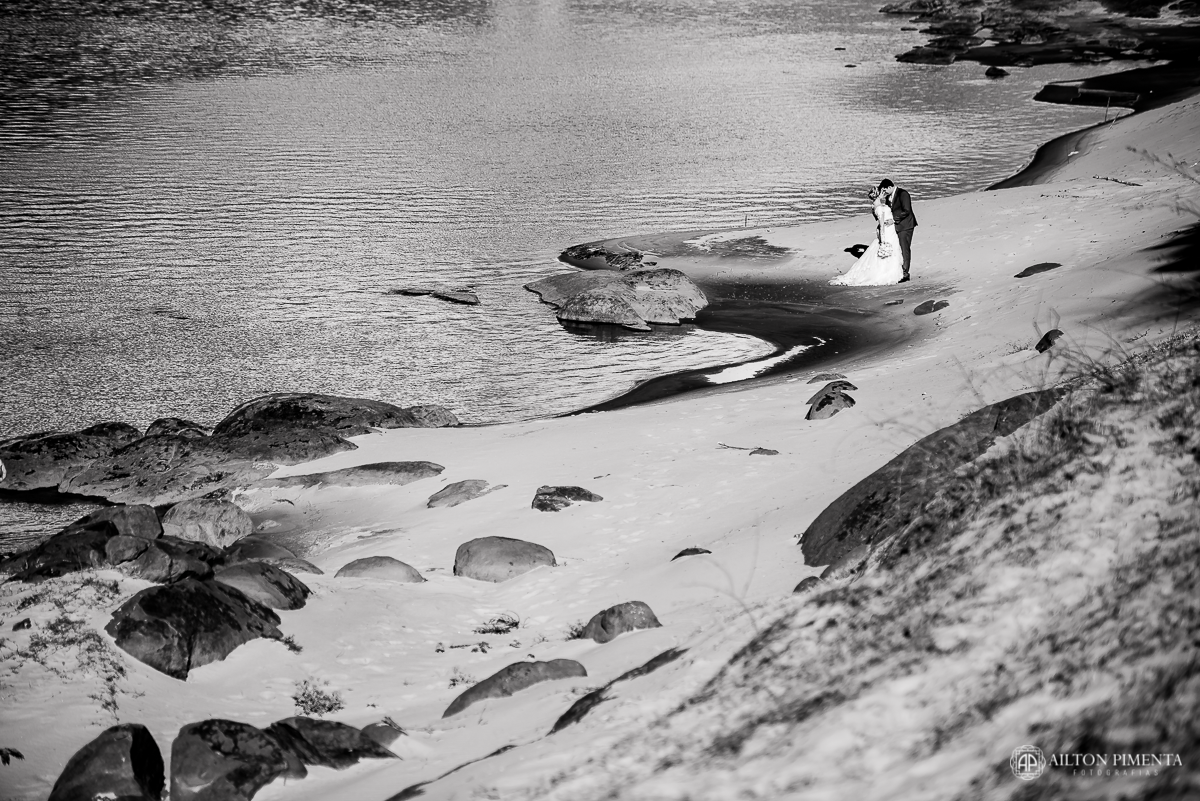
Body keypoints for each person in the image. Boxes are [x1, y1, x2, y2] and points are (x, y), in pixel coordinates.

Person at [830, 188, 904, 286]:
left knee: (891, 251)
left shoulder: (876, 206)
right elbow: (881, 224)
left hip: (890, 230)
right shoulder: (879, 208)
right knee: (887, 251)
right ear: (878, 195)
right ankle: (886, 274)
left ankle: (890, 273)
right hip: (886, 231)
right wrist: (882, 239)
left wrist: (880, 199)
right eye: (881, 193)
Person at [879, 178, 917, 282]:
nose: (884, 192)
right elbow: (884, 207)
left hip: (906, 225)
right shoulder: (888, 196)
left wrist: (893, 220)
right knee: (899, 248)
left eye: (885, 190)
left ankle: (905, 273)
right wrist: (882, 197)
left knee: (905, 248)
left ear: (890, 187)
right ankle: (900, 271)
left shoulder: (903, 194)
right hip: (897, 226)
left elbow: (907, 210)